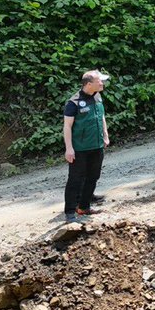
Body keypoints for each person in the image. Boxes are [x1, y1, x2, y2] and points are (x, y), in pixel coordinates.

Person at [63, 70, 110, 223]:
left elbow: (101, 116)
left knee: (93, 177)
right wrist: (69, 148)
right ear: (89, 84)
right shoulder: (73, 102)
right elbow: (67, 127)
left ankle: (84, 207)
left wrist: (105, 134)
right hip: (80, 149)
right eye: (99, 81)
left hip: (96, 145)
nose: (102, 83)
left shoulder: (97, 96)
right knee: (75, 179)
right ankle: (70, 212)